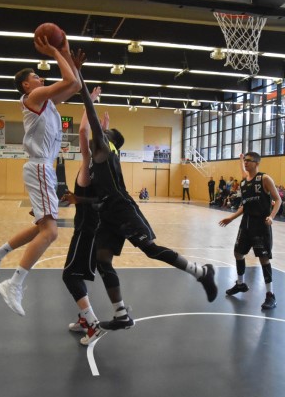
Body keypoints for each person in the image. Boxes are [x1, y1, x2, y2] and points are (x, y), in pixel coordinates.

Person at [77, 67, 218, 331]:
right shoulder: (98, 158)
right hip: (108, 213)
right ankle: (121, 315)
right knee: (102, 259)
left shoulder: (106, 152)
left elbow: (91, 125)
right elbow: (84, 131)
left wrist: (83, 84)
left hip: (122, 209)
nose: (99, 134)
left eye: (104, 133)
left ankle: (202, 273)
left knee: (151, 250)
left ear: (109, 141)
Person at [0, 35, 83, 316]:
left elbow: (74, 85)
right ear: (26, 84)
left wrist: (72, 65)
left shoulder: (48, 103)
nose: (40, 79)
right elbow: (68, 82)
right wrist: (56, 50)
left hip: (42, 168)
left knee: (43, 228)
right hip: (39, 166)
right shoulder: (33, 97)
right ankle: (14, 284)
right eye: (36, 77)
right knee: (50, 233)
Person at [62, 86, 105, 346]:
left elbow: (81, 131)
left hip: (86, 232)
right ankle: (83, 319)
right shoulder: (103, 170)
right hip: (90, 230)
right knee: (75, 274)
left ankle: (93, 324)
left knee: (70, 276)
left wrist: (90, 100)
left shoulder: (88, 170)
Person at [219, 151, 281, 310]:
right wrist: (231, 218)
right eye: (244, 160)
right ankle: (240, 284)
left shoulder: (264, 179)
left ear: (257, 163)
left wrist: (272, 216)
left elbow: (278, 199)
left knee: (263, 258)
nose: (246, 163)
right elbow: (244, 206)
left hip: (261, 224)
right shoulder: (244, 182)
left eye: (248, 161)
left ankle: (270, 295)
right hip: (246, 223)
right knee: (238, 253)